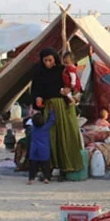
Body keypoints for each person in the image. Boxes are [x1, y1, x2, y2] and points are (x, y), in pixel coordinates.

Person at [30, 47, 83, 180]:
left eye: (50, 60)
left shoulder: (62, 70)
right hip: (49, 107)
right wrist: (37, 97)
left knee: (65, 136)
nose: (48, 63)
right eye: (45, 60)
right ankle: (50, 168)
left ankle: (66, 168)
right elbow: (35, 90)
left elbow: (76, 85)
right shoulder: (39, 73)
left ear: (55, 59)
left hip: (64, 107)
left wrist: (69, 89)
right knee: (51, 138)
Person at [28, 110, 56, 185]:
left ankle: (31, 179)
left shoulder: (33, 128)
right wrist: (51, 111)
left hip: (34, 150)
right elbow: (52, 121)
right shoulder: (45, 128)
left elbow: (30, 121)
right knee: (46, 165)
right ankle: (46, 178)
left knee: (33, 166)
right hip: (44, 150)